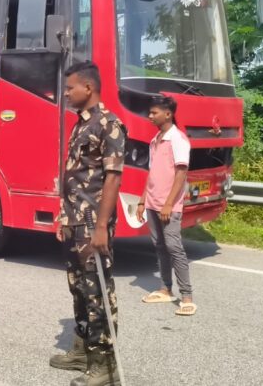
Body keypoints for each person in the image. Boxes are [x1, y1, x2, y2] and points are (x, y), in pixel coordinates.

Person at [50, 62, 126, 386]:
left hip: (94, 223)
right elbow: (75, 176)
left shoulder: (109, 124)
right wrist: (64, 217)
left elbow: (113, 178)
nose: (66, 93)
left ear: (88, 88)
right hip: (75, 222)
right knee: (79, 288)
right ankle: (83, 350)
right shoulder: (81, 124)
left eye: (70, 88)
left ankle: (105, 364)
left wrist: (101, 227)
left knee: (97, 292)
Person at [136, 95, 195, 315]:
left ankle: (186, 296)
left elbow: (181, 172)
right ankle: (165, 289)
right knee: (160, 246)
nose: (150, 116)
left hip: (168, 205)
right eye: (150, 112)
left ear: (168, 114)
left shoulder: (177, 139)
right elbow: (152, 173)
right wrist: (142, 200)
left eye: (154, 113)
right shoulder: (156, 140)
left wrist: (169, 204)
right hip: (152, 202)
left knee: (173, 247)